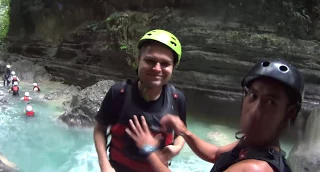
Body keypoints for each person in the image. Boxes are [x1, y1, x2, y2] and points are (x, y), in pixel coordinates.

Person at [126, 59, 304, 172]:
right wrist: (184, 132)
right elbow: (216, 154)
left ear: (290, 112)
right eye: (254, 96)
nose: (256, 110)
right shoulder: (254, 145)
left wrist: (147, 151)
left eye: (271, 102)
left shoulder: (255, 168)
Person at [94, 29, 187, 172]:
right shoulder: (119, 93)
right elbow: (100, 129)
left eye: (165, 63)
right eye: (150, 61)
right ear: (138, 60)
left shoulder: (177, 99)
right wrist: (104, 164)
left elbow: (181, 133)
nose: (157, 68)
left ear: (173, 67)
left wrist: (177, 148)